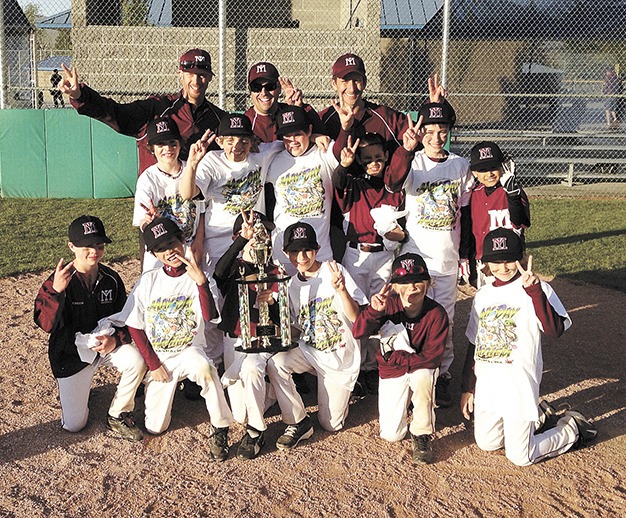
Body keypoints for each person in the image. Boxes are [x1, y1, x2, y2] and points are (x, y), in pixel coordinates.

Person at [461, 228, 597, 466]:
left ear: (521, 259)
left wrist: (534, 291)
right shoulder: (482, 295)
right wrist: (468, 388)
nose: (503, 268)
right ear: (486, 262)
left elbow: (555, 330)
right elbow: (474, 342)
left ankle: (571, 428)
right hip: (488, 384)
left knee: (520, 456)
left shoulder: (536, 289)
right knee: (487, 442)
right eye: (496, 261)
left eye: (509, 261)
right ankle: (540, 415)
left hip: (519, 385)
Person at [121, 217, 234, 460]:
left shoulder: (199, 277)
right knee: (155, 427)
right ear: (153, 253)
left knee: (205, 368)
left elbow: (210, 316)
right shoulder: (149, 280)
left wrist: (202, 283)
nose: (169, 251)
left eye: (172, 243)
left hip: (188, 350)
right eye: (160, 249)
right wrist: (153, 365)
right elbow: (135, 327)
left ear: (183, 240)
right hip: (161, 357)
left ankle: (220, 427)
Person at [386, 100, 474, 409]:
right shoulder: (414, 162)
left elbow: (465, 212)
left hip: (447, 259)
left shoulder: (461, 166)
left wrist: (466, 257)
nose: (436, 138)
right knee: (412, 316)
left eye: (443, 131)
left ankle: (442, 375)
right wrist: (407, 151)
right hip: (416, 258)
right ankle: (412, 370)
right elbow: (393, 181)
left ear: (450, 132)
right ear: (421, 133)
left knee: (445, 320)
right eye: (430, 131)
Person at [179, 112, 283, 369]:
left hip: (252, 241)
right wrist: (192, 164)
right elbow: (187, 193)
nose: (236, 147)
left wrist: (317, 136)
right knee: (216, 300)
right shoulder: (212, 161)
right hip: (218, 240)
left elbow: (290, 142)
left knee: (255, 296)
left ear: (252, 141)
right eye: (229, 140)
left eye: (243, 141)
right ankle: (215, 362)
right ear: (220, 141)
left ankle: (255, 355)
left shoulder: (262, 156)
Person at [34, 215, 145, 441]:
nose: (94, 250)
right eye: (87, 245)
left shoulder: (111, 279)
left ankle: (117, 414)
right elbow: (45, 324)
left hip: (104, 348)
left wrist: (116, 341)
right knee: (75, 425)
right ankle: (81, 391)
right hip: (71, 356)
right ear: (72, 246)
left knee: (136, 360)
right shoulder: (58, 280)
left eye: (99, 244)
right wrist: (56, 291)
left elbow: (125, 320)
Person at [332, 122, 420, 394]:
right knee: (354, 313)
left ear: (386, 158)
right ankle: (355, 369)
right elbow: (338, 183)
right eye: (368, 158)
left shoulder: (394, 189)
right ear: (360, 160)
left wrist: (399, 236)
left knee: (379, 310)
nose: (373, 163)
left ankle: (374, 366)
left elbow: (401, 232)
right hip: (356, 253)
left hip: (383, 255)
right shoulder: (355, 184)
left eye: (379, 158)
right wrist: (344, 166)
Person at [266, 222, 366, 449]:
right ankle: (297, 421)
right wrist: (272, 306)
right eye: (294, 251)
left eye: (307, 250)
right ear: (285, 253)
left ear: (317, 248)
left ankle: (350, 385)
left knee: (331, 424)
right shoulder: (291, 285)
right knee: (276, 363)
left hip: (339, 356)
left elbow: (355, 317)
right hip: (311, 350)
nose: (301, 257)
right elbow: (293, 328)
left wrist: (341, 291)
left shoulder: (334, 271)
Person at [59, 49, 226, 174]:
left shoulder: (218, 118)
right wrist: (79, 95)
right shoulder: (157, 108)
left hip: (195, 202)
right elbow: (114, 113)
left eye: (202, 74)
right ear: (180, 74)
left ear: (210, 77)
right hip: (157, 200)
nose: (196, 80)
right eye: (190, 74)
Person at [352, 253, 449, 464]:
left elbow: (432, 359)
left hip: (419, 367)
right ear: (395, 286)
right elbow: (359, 332)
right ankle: (410, 403)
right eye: (404, 282)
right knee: (391, 434)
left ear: (428, 284)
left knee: (425, 378)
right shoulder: (387, 305)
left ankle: (422, 432)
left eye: (417, 281)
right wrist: (373, 312)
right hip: (392, 371)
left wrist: (399, 359)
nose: (411, 287)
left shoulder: (436, 313)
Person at [213, 210, 280, 459]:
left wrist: (273, 301)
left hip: (262, 340)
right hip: (235, 338)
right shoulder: (235, 267)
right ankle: (266, 394)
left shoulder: (275, 270)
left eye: (264, 234)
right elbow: (218, 273)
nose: (260, 239)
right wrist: (242, 241)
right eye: (254, 235)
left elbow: (282, 319)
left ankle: (257, 429)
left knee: (252, 372)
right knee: (239, 414)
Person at [265, 105, 347, 274]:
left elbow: (340, 151)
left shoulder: (322, 153)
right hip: (285, 252)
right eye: (287, 136)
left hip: (319, 251)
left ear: (309, 130)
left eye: (298, 134)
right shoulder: (274, 159)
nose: (293, 141)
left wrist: (346, 127)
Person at [133, 116, 207, 272]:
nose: (167, 149)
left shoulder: (193, 169)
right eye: (160, 144)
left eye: (172, 143)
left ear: (180, 144)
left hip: (189, 245)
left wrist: (198, 243)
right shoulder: (147, 179)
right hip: (162, 250)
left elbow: (202, 210)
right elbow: (142, 222)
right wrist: (149, 222)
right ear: (151, 148)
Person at [460, 141, 531, 286]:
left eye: (494, 168)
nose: (489, 174)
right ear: (474, 173)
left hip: (510, 260)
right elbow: (470, 230)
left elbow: (521, 221)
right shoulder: (474, 195)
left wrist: (513, 196)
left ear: (502, 167)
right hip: (484, 260)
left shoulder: (512, 191)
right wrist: (465, 257)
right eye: (483, 170)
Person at [244, 61, 327, 143]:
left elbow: (322, 133)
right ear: (250, 92)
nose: (264, 93)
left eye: (270, 86)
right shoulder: (245, 123)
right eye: (256, 87)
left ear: (279, 88)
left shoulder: (289, 112)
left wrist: (298, 109)